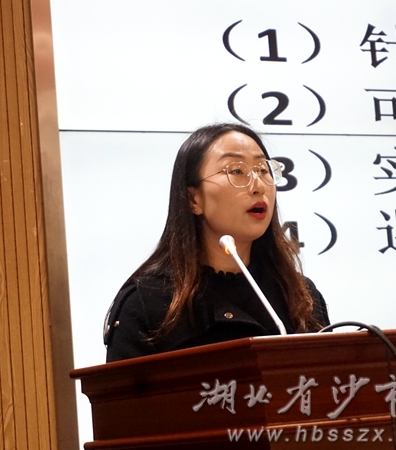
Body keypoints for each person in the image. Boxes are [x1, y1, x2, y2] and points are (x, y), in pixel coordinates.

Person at [104, 123, 330, 362]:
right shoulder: (147, 302)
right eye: (236, 171)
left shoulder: (300, 296)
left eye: (263, 170)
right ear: (193, 199)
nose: (258, 186)